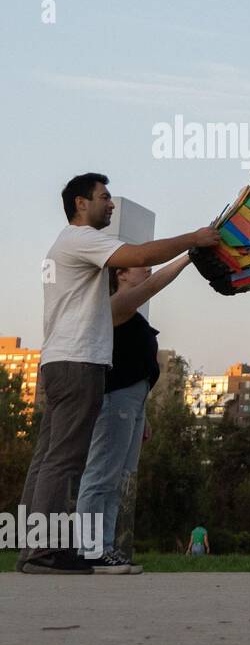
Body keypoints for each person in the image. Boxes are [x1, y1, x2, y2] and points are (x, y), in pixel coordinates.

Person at [17, 173, 218, 574]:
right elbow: (141, 256)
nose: (110, 205)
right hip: (79, 364)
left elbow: (144, 277)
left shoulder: (67, 244)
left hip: (60, 362)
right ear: (80, 204)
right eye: (104, 198)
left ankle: (34, 549)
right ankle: (46, 553)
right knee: (65, 462)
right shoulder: (80, 239)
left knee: (47, 460)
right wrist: (194, 238)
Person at [74, 256, 189, 574]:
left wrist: (143, 414)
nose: (147, 268)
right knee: (102, 474)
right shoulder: (115, 304)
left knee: (117, 478)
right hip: (115, 400)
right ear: (120, 275)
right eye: (140, 265)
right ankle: (89, 549)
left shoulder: (129, 312)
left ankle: (105, 549)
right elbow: (154, 284)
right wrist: (190, 254)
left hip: (132, 402)